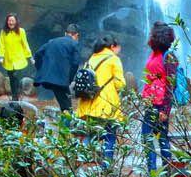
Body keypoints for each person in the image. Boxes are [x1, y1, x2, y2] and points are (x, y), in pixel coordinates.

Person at [74, 33, 125, 165]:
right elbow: (120, 84)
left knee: (91, 135)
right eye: (119, 47)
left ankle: (80, 166)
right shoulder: (113, 59)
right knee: (110, 136)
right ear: (113, 46)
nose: (119, 51)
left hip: (87, 104)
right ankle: (106, 168)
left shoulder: (91, 58)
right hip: (106, 105)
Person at [140, 21, 178, 174]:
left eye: (152, 35)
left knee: (160, 138)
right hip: (150, 102)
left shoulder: (169, 57)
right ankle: (154, 172)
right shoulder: (154, 54)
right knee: (149, 137)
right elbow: (149, 77)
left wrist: (165, 109)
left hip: (160, 103)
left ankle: (165, 171)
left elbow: (171, 85)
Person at [33, 22, 84, 112]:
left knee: (59, 102)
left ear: (65, 33)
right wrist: (70, 79)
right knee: (67, 107)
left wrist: (40, 69)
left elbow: (37, 54)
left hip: (46, 79)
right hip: (61, 80)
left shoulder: (52, 41)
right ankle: (66, 125)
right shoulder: (74, 44)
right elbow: (75, 63)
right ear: (77, 35)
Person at [0, 13, 33, 99]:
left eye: (12, 20)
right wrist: (1, 57)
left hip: (19, 59)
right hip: (9, 60)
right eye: (9, 20)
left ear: (16, 21)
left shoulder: (21, 31)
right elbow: (1, 45)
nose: (11, 22)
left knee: (16, 77)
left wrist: (30, 57)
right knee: (12, 78)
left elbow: (25, 44)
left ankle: (16, 95)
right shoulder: (3, 32)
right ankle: (15, 95)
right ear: (7, 22)